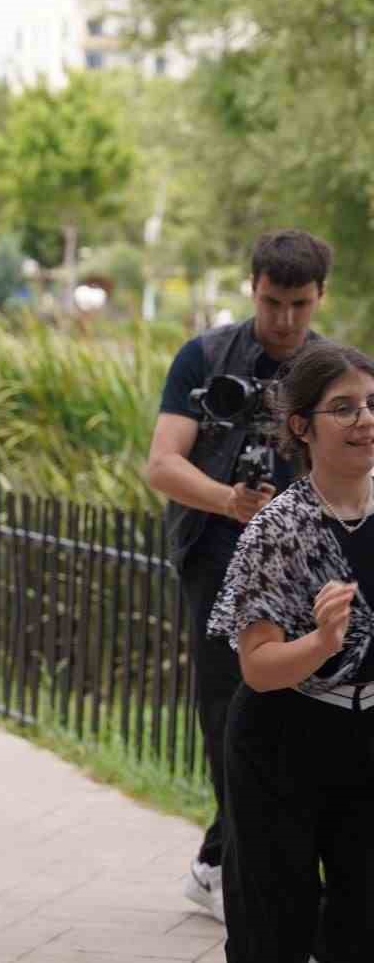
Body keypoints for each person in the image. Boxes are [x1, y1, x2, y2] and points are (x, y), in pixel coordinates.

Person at [146, 228, 334, 923]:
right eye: (271, 301)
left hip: (310, 564)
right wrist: (230, 500)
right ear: (251, 287)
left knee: (300, 716)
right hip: (217, 557)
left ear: (320, 297)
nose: (285, 319)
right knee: (229, 717)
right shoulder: (204, 357)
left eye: (299, 304)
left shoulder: (338, 369)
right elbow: (163, 463)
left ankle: (222, 860)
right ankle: (240, 871)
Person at [206, 340, 374, 962]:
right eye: (345, 407)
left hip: (367, 735)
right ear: (302, 426)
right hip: (283, 742)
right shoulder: (279, 527)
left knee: (363, 923)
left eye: (373, 403)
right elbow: (258, 666)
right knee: (273, 925)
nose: (365, 420)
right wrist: (322, 642)